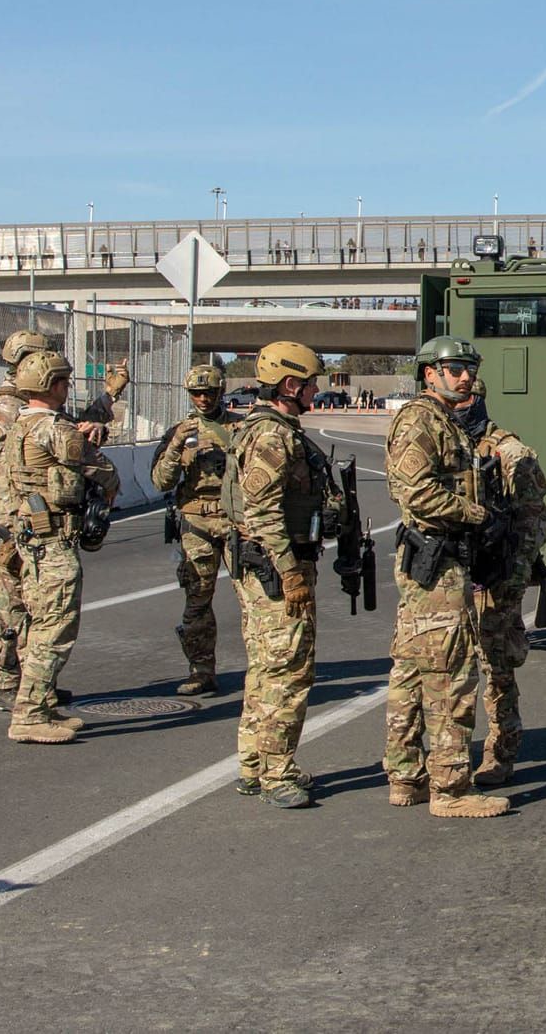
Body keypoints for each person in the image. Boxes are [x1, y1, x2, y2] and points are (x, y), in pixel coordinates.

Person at [383, 336, 509, 818]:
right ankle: (451, 789)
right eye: (453, 368)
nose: (464, 376)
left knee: (413, 669)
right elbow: (417, 495)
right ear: (429, 373)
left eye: (468, 367)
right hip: (437, 562)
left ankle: (406, 777)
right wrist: (477, 515)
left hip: (438, 559)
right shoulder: (420, 420)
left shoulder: (443, 421)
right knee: (449, 675)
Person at [0, 328, 127, 712]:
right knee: (14, 604)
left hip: (29, 514)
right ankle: (4, 680)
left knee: (36, 603)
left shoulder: (31, 405)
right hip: (19, 515)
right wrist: (19, 518)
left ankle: (33, 683)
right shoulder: (5, 408)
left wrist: (108, 398)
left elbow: (66, 433)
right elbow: (8, 466)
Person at [228, 340, 339, 810]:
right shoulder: (273, 437)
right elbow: (263, 512)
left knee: (266, 668)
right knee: (288, 671)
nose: (316, 392)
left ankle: (254, 765)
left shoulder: (268, 429)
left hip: (264, 564)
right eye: (312, 384)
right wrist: (290, 572)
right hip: (275, 567)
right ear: (290, 385)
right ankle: (277, 772)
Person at [460, 386, 546, 786]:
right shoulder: (447, 444)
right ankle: (452, 754)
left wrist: (512, 579)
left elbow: (533, 522)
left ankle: (501, 753)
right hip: (454, 577)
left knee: (497, 670)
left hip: (496, 579)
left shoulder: (510, 452)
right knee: (450, 671)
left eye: (465, 402)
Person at [151, 363, 240, 695]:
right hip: (196, 524)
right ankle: (201, 669)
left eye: (209, 393)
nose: (203, 399)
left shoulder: (241, 427)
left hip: (234, 522)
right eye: (196, 394)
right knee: (197, 599)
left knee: (253, 597)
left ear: (220, 392)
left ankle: (263, 667)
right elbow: (160, 481)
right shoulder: (179, 433)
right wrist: (175, 447)